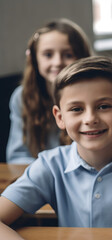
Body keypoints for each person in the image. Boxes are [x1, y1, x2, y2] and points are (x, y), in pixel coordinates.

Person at [0, 56, 112, 239]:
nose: (90, 118)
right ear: (59, 117)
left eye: (103, 106)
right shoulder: (51, 165)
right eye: (76, 109)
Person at [6, 18, 92, 164]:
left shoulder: (95, 96)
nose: (57, 62)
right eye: (48, 55)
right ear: (34, 59)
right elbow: (17, 156)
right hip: (38, 177)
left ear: (82, 58)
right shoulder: (22, 97)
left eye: (68, 55)